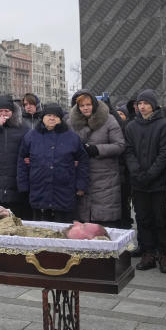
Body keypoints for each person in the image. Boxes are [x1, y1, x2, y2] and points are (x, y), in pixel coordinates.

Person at [124, 89, 166, 273]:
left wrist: (151, 174)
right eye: (139, 103)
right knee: (143, 218)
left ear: (153, 105)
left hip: (158, 183)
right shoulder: (131, 126)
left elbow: (164, 153)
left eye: (145, 103)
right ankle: (148, 253)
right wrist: (137, 173)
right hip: (138, 184)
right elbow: (128, 151)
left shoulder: (164, 125)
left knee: (160, 219)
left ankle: (162, 253)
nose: (142, 106)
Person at [18, 104, 89, 223]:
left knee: (63, 231)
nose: (52, 118)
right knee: (40, 231)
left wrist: (81, 185)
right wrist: (23, 185)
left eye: (55, 116)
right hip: (39, 190)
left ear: (61, 119)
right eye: (49, 115)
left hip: (64, 192)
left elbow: (83, 161)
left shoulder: (72, 137)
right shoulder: (31, 136)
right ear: (42, 117)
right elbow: (21, 161)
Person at [68, 90, 125, 228]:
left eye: (88, 104)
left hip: (105, 177)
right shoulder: (71, 123)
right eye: (82, 106)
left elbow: (120, 145)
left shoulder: (109, 119)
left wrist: (96, 149)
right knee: (83, 225)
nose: (86, 108)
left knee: (104, 224)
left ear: (94, 104)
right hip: (81, 175)